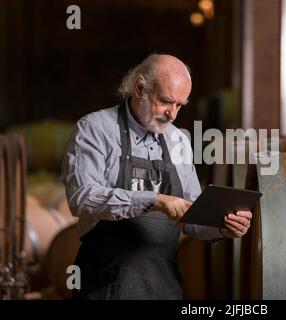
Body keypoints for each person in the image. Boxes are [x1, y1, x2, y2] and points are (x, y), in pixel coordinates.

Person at [61, 54, 253, 300]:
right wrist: (155, 200)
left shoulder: (178, 140)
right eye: (166, 101)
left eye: (180, 105)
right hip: (105, 287)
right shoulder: (95, 128)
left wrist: (223, 226)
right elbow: (82, 198)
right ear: (140, 88)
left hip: (163, 287)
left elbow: (193, 216)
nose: (173, 114)